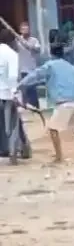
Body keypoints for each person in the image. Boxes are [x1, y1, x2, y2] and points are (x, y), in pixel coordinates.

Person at [17, 43, 74, 163]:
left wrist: (20, 85)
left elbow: (35, 75)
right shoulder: (72, 68)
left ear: (51, 54)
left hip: (64, 102)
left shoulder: (50, 66)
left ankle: (59, 157)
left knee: (53, 129)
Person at [0, 29, 31, 164]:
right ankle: (14, 152)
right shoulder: (12, 54)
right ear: (12, 41)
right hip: (8, 94)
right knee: (13, 125)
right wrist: (15, 93)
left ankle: (7, 149)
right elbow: (13, 76)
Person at [17, 22, 41, 108]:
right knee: (25, 89)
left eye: (27, 29)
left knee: (33, 89)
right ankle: (26, 107)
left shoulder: (34, 40)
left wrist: (27, 45)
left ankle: (35, 107)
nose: (25, 31)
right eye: (23, 29)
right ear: (20, 30)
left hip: (32, 68)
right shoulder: (17, 41)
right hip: (23, 69)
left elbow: (37, 49)